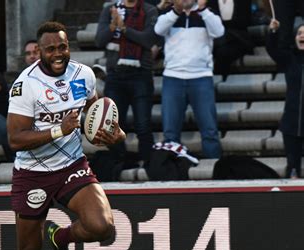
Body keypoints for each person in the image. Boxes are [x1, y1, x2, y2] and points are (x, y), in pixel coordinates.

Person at [8, 21, 125, 250]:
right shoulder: (25, 85)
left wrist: (115, 134)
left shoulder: (83, 75)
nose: (58, 53)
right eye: (51, 49)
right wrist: (60, 128)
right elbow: (15, 138)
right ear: (40, 52)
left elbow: (97, 114)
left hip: (72, 165)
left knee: (102, 227)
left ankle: (60, 237)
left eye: (62, 47)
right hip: (32, 173)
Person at [155, 0, 224, 159]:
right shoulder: (169, 14)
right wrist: (175, 11)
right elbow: (158, 29)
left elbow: (219, 31)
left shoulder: (207, 13)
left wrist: (203, 9)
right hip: (173, 77)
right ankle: (170, 171)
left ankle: (214, 169)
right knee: (170, 131)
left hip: (201, 77)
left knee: (209, 130)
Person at [95, 0, 159, 167]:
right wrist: (112, 26)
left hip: (141, 74)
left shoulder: (149, 10)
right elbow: (99, 40)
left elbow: (148, 40)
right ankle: (119, 163)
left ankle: (148, 163)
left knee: (143, 125)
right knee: (114, 124)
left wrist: (123, 28)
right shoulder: (110, 9)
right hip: (115, 75)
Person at [267, 19, 304, 178]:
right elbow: (272, 50)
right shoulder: (289, 59)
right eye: (300, 33)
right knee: (293, 168)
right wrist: (273, 32)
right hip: (292, 122)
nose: (302, 36)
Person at [208, 0, 255, 76]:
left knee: (222, 53)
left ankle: (219, 81)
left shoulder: (243, 1)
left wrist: (222, 26)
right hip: (218, 41)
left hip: (239, 39)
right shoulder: (211, 2)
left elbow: (245, 21)